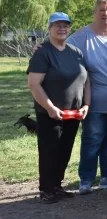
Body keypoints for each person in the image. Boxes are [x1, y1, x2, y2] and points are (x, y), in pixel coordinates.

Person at [68, 0, 107, 195]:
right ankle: (86, 179)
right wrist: (40, 48)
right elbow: (59, 45)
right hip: (94, 100)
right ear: (95, 12)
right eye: (102, 9)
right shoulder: (82, 36)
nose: (106, 13)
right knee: (92, 139)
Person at [27, 12, 90, 203]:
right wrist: (50, 108)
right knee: (49, 151)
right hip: (50, 113)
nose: (62, 29)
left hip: (73, 113)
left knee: (64, 151)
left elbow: (87, 80)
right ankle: (46, 189)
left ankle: (57, 186)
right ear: (49, 28)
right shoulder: (43, 52)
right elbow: (34, 84)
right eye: (57, 25)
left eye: (65, 25)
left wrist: (86, 104)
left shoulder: (75, 52)